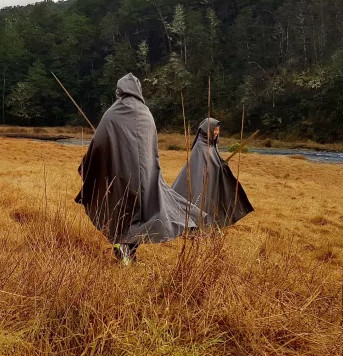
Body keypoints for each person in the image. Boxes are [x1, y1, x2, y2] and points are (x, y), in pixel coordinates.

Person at [76, 73, 205, 265]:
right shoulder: (146, 114)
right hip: (146, 177)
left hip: (120, 175)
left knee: (122, 212)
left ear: (120, 90)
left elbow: (99, 144)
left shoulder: (112, 114)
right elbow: (152, 150)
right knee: (141, 214)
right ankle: (128, 251)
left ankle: (124, 249)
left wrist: (87, 165)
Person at [172, 118, 254, 230]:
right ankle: (193, 223)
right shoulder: (200, 145)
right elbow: (199, 167)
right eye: (214, 130)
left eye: (218, 130)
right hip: (199, 181)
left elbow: (214, 162)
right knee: (197, 201)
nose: (216, 132)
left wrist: (221, 165)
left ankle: (209, 223)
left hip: (211, 181)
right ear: (207, 129)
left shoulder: (212, 145)